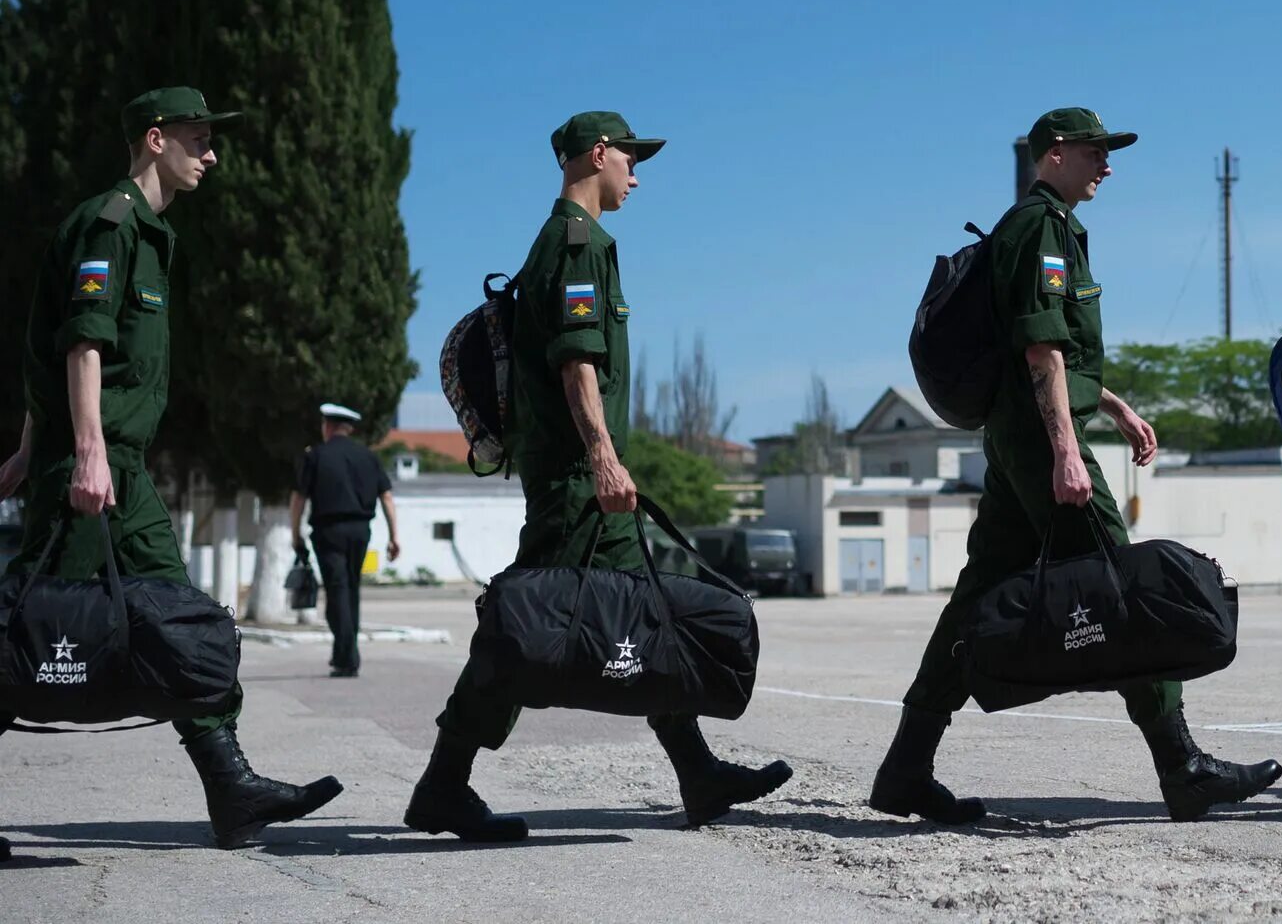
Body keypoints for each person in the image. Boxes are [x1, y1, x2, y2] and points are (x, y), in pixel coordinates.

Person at [870, 107, 1281, 825]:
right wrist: (1066, 449)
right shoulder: (1040, 228)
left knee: (978, 595)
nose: (1107, 165)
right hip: (1037, 438)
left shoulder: (1038, 225)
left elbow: (1052, 345)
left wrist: (1114, 405)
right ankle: (1181, 765)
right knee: (1124, 590)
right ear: (1054, 154)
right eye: (1096, 151)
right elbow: (1040, 351)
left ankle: (906, 765)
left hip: (1018, 433)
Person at [405, 112, 792, 841]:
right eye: (632, 159)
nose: (637, 176)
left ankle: (695, 771)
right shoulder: (577, 244)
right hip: (579, 483)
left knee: (629, 611)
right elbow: (576, 362)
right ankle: (443, 783)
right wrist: (605, 457)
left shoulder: (568, 242)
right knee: (526, 629)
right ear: (599, 153)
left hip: (573, 477)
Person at [0, 88, 343, 849]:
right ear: (156, 140)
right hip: (95, 466)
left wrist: (30, 446)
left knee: (173, 620)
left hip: (113, 462)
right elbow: (79, 343)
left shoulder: (149, 234)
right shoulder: (111, 223)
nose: (211, 154)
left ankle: (231, 786)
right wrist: (75, 451)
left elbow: (63, 342)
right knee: (30, 629)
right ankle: (232, 785)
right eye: (198, 139)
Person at [289, 402, 400, 678]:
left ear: (328, 426)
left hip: (329, 531)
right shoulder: (368, 457)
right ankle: (344, 654)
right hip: (361, 531)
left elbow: (298, 498)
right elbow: (386, 496)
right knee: (350, 588)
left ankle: (347, 657)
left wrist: (295, 534)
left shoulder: (315, 456)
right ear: (348, 428)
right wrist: (394, 536)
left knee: (338, 589)